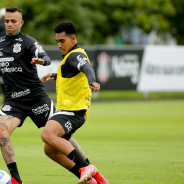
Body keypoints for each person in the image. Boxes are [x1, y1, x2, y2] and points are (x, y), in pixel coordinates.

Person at [0, 7, 93, 184]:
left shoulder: (28, 42)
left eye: (13, 21)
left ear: (21, 23)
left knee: (63, 137)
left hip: (37, 98)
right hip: (14, 101)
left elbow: (45, 57)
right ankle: (16, 179)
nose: (9, 24)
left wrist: (42, 61)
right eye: (7, 21)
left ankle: (89, 170)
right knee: (1, 132)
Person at [41, 21, 109, 184]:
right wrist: (55, 75)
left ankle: (85, 168)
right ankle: (95, 179)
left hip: (73, 110)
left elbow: (86, 67)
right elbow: (73, 74)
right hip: (70, 110)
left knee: (48, 134)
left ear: (73, 38)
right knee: (50, 149)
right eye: (57, 41)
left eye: (62, 41)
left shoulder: (75, 54)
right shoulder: (69, 58)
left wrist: (92, 80)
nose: (59, 45)